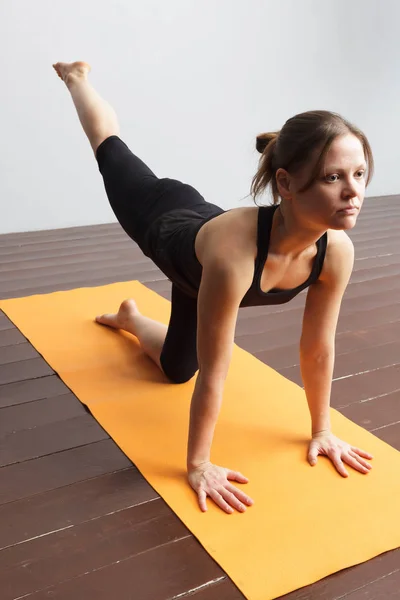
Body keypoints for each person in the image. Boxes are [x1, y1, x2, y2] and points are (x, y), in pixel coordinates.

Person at [53, 61, 374, 515]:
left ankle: (130, 318)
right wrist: (198, 463)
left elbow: (318, 349)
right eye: (333, 177)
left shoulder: (336, 251)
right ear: (285, 184)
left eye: (359, 174)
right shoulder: (234, 258)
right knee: (110, 148)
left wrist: (321, 431)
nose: (353, 192)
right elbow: (217, 368)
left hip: (202, 271)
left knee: (175, 370)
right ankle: (76, 78)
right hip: (167, 221)